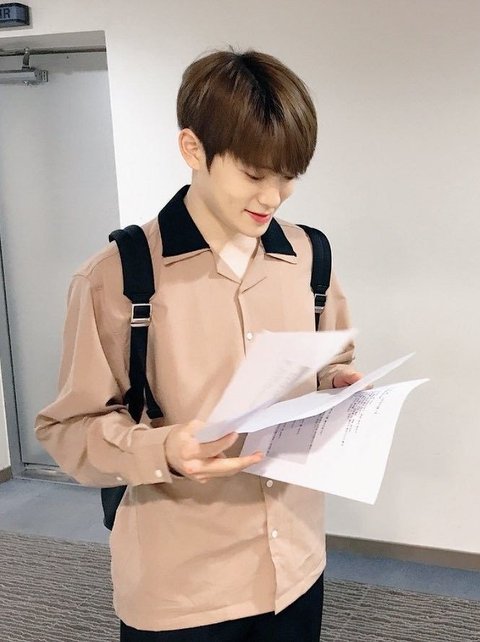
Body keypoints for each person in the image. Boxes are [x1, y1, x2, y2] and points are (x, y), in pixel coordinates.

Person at [35, 46, 361, 641]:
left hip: (295, 565)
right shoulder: (116, 277)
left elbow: (331, 359)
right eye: (255, 175)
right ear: (192, 149)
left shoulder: (310, 256)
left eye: (289, 176)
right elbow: (68, 429)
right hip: (182, 590)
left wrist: (336, 383)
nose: (274, 197)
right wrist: (163, 449)